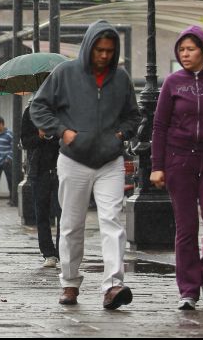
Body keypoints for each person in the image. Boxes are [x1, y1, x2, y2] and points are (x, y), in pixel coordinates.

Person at [30, 19, 141, 310]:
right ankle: (69, 283)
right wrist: (63, 131)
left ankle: (114, 286)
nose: (104, 55)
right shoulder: (65, 73)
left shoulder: (121, 78)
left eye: (109, 50)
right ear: (89, 46)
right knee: (70, 224)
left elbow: (133, 115)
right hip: (73, 159)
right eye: (99, 49)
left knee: (112, 221)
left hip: (110, 160)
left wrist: (120, 134)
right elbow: (38, 107)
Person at [150, 26, 203, 310]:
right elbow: (159, 127)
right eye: (181, 50)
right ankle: (188, 291)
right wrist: (158, 166)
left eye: (190, 49)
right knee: (186, 227)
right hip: (179, 160)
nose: (185, 54)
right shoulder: (172, 82)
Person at [21, 102, 61, 269]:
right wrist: (40, 136)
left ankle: (63, 251)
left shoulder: (64, 108)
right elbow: (25, 141)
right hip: (39, 169)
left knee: (63, 213)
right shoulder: (31, 112)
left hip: (62, 168)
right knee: (42, 213)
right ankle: (49, 253)